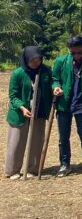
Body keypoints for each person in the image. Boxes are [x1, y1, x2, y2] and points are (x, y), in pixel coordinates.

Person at [52, 35, 82, 177]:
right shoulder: (61, 61)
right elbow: (55, 79)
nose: (76, 55)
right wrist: (56, 87)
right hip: (64, 104)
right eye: (73, 53)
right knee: (63, 137)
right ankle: (65, 165)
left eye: (79, 52)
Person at [5, 46, 53, 179]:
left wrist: (55, 88)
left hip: (39, 111)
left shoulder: (46, 71)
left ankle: (32, 169)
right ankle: (13, 171)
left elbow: (53, 82)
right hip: (20, 113)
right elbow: (13, 96)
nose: (35, 63)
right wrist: (22, 107)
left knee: (37, 142)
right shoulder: (18, 74)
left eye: (38, 60)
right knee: (16, 143)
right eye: (32, 60)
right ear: (26, 59)